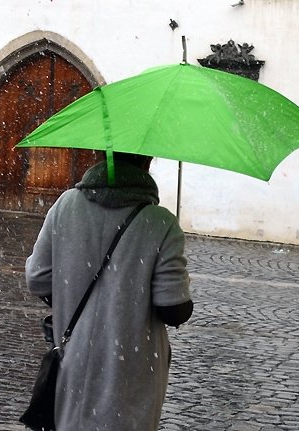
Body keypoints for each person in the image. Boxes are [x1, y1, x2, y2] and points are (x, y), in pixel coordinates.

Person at [25, 152, 193, 430]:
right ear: (147, 162)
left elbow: (38, 278)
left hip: (74, 359)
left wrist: (75, 297)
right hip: (131, 369)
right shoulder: (161, 222)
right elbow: (174, 308)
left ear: (101, 155)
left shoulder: (66, 205)